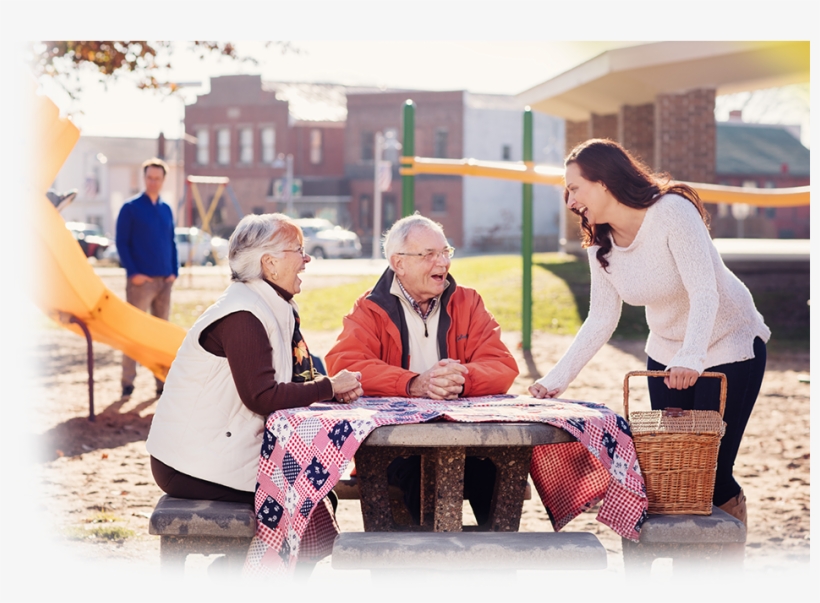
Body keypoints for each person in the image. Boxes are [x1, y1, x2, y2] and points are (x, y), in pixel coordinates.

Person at [528, 139, 770, 526]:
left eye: (574, 188)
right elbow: (601, 318)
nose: (569, 200)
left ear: (604, 182)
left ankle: (726, 551)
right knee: (672, 471)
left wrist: (692, 357)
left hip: (730, 343)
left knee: (710, 474)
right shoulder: (600, 244)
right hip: (667, 353)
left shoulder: (672, 211)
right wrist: (556, 379)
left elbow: (703, 290)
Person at [146, 213, 363, 564]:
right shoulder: (242, 314)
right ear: (270, 263)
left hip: (220, 452)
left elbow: (291, 381)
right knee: (304, 508)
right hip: (190, 464)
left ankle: (238, 576)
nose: (307, 259)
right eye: (299, 250)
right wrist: (329, 388)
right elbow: (262, 397)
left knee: (314, 500)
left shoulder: (268, 305)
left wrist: (327, 386)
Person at [325, 214, 519, 526]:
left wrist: (458, 381)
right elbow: (345, 365)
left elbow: (502, 365)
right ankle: (431, 565)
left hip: (469, 440)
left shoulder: (468, 301)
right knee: (419, 477)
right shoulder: (369, 308)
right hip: (395, 446)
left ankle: (499, 567)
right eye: (429, 255)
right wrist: (415, 383)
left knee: (499, 472)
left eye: (445, 252)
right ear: (398, 263)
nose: (442, 262)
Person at [115, 158, 178, 399]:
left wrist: (174, 271)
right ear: (144, 179)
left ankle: (161, 381)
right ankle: (127, 382)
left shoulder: (166, 209)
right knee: (134, 334)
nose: (153, 182)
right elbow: (122, 243)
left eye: (157, 178)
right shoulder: (130, 208)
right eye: (149, 177)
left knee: (161, 335)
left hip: (165, 282)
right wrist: (133, 274)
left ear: (163, 180)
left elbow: (171, 241)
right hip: (141, 284)